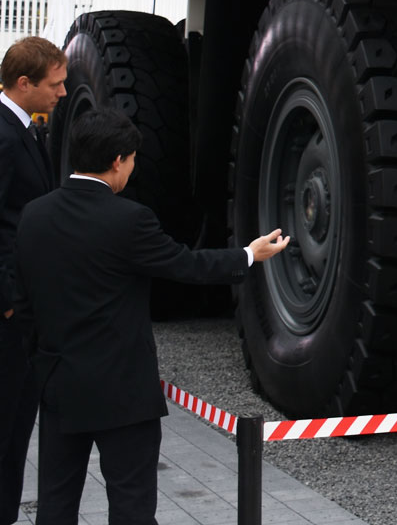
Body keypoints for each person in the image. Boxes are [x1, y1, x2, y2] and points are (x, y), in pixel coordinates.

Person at [15, 109, 290, 525]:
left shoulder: (34, 216)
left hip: (58, 384)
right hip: (123, 390)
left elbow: (25, 301)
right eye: (132, 159)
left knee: (55, 502)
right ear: (116, 161)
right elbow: (186, 266)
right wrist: (249, 255)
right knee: (131, 505)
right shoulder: (129, 220)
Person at [0, 37, 66, 525]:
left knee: (18, 429)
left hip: (21, 306)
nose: (62, 94)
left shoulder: (24, 129)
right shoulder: (3, 137)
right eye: (55, 84)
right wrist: (6, 300)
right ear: (24, 84)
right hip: (9, 314)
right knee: (6, 430)